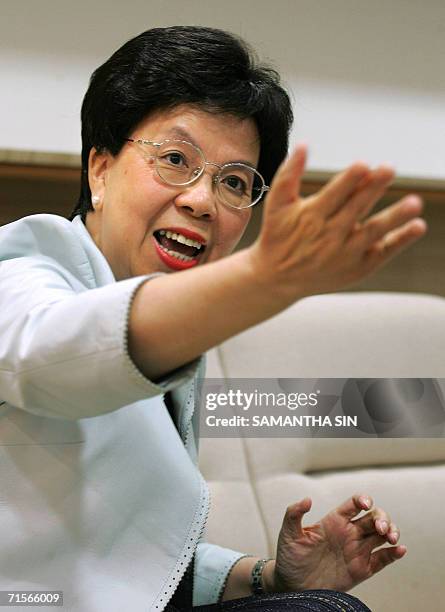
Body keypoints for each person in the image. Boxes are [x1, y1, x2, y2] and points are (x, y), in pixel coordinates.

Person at [0, 26, 426, 612]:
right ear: (100, 169)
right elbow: (49, 349)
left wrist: (272, 579)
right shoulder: (22, 265)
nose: (202, 201)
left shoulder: (171, 339)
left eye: (233, 182)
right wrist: (264, 279)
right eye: (176, 159)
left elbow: (119, 561)